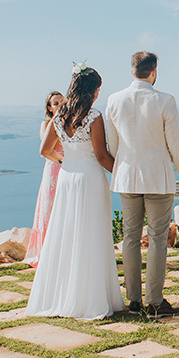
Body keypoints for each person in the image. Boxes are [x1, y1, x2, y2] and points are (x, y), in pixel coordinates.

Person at [27, 66, 124, 319]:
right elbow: (102, 156)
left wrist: (65, 161)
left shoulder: (58, 116)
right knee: (92, 234)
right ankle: (90, 299)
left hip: (68, 179)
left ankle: (62, 295)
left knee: (67, 234)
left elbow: (44, 150)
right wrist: (124, 175)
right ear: (92, 91)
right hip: (91, 178)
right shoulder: (93, 116)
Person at [105, 51, 179, 318]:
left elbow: (114, 144)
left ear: (132, 71)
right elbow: (175, 141)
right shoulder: (165, 100)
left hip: (127, 175)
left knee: (130, 238)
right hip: (157, 177)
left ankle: (133, 301)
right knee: (156, 239)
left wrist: (124, 164)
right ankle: (154, 302)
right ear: (154, 71)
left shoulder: (114, 100)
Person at [23, 90, 64, 267]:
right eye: (56, 103)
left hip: (69, 169)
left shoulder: (71, 123)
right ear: (49, 107)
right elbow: (49, 147)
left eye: (62, 102)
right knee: (50, 208)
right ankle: (47, 251)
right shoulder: (46, 124)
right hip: (54, 168)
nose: (60, 106)